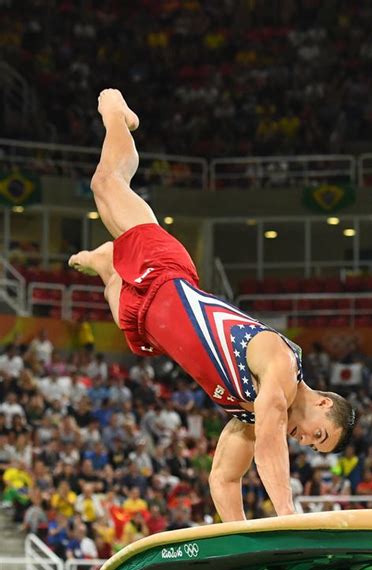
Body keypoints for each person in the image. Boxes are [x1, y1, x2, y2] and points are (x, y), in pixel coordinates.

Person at [68, 89, 355, 522]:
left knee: (112, 281)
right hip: (165, 274)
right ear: (323, 405)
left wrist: (241, 546)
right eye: (319, 435)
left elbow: (223, 478)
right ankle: (115, 111)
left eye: (315, 447)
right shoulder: (280, 364)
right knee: (105, 184)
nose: (307, 441)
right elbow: (271, 441)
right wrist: (285, 514)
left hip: (147, 326)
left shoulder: (250, 413)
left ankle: (106, 261)